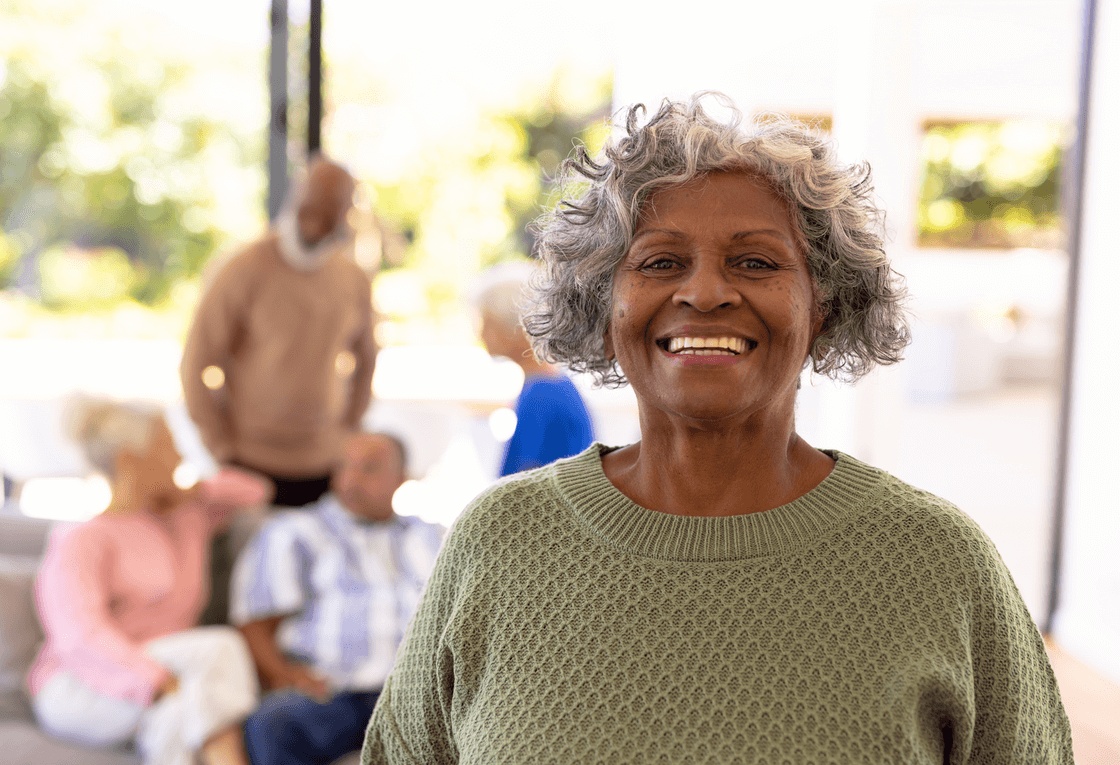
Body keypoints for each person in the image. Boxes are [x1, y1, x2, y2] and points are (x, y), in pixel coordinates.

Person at [361, 95, 1073, 764]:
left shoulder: (937, 564)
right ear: (603, 307)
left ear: (822, 306)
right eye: (661, 262)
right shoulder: (501, 540)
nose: (703, 292)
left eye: (756, 262)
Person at [27, 397, 269, 765]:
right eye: (168, 446)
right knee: (219, 650)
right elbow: (80, 638)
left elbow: (255, 492)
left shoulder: (187, 517)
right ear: (130, 460)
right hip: (83, 685)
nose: (179, 458)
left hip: (175, 672)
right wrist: (156, 681)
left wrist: (193, 492)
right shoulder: (83, 539)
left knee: (180, 712)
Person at [230, 432, 444, 765]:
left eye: (369, 469)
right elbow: (255, 623)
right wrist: (285, 676)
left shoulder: (432, 537)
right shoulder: (294, 532)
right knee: (274, 722)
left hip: (415, 696)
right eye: (343, 467)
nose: (350, 479)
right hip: (331, 694)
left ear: (401, 478)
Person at [180, 155, 376, 508]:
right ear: (296, 194)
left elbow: (367, 359)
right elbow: (195, 363)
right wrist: (220, 447)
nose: (318, 213)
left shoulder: (353, 279)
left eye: (333, 204)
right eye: (313, 198)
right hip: (248, 462)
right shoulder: (243, 268)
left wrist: (348, 429)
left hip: (324, 465)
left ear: (347, 211)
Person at [472, 261, 595, 476]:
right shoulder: (551, 385)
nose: (481, 335)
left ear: (514, 328)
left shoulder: (542, 395)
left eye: (487, 323)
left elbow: (525, 489)